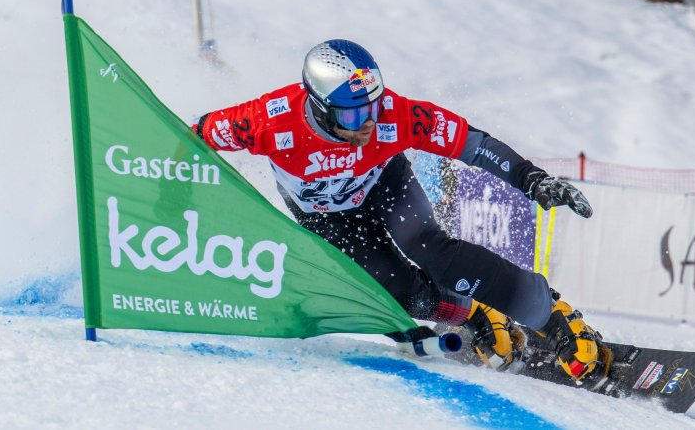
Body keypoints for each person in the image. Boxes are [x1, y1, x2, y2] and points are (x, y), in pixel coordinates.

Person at [193, 39, 609, 380]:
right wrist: (168, 201)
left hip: (384, 183)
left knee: (432, 249)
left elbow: (473, 144)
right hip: (327, 219)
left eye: (374, 106)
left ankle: (552, 315)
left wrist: (530, 179)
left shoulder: (395, 114)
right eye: (355, 114)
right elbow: (191, 137)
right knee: (401, 296)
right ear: (318, 106)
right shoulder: (268, 121)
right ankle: (472, 313)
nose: (370, 122)